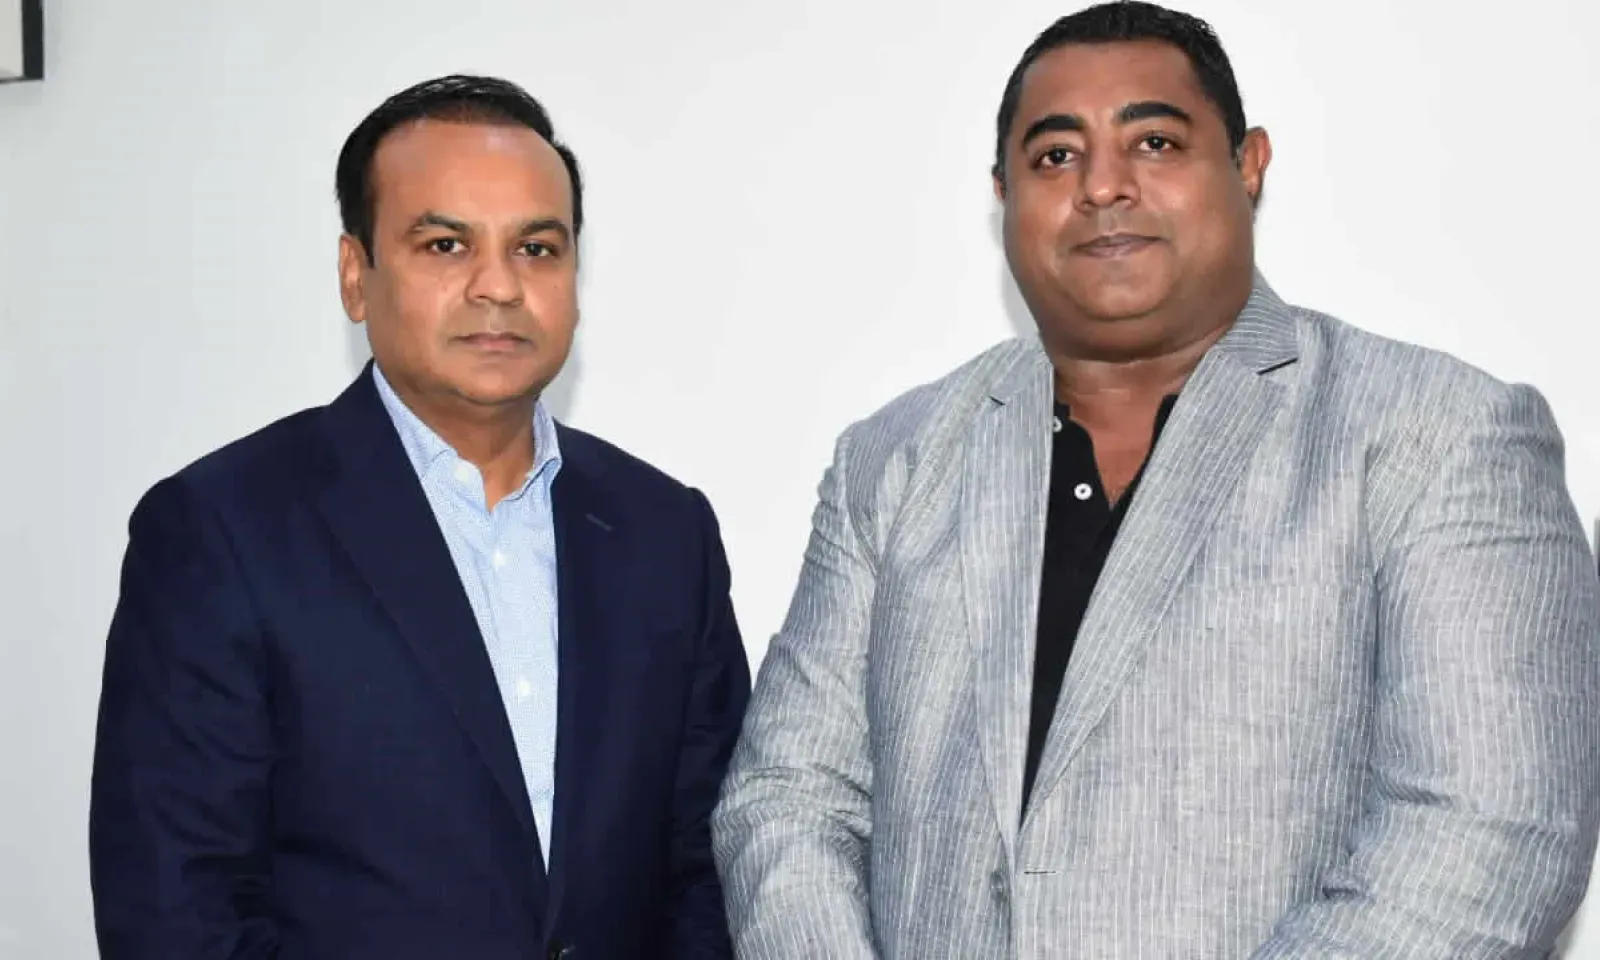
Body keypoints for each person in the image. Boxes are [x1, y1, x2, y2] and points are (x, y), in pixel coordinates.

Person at [711, 3, 1600, 957]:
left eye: (1155, 142)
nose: (1102, 185)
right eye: (1056, 156)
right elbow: (788, 796)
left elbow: (1491, 836)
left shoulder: (1440, 435)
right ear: (1003, 192)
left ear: (1248, 164)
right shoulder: (894, 458)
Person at [89, 74, 749, 959]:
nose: (498, 286)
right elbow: (177, 909)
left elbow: (713, 867)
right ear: (355, 276)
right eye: (445, 245)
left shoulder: (665, 533)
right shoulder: (220, 532)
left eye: (537, 248)